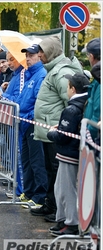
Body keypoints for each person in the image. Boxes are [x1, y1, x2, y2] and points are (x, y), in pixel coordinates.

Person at [32, 36, 83, 221]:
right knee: (50, 170)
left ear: (50, 52)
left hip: (57, 130)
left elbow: (71, 101)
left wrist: (63, 126)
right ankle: (50, 204)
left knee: (56, 171)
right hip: (51, 129)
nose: (39, 55)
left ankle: (57, 210)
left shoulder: (60, 72)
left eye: (42, 52)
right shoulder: (54, 69)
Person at [47, 73, 89, 236]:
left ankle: (71, 223)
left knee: (66, 189)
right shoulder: (82, 104)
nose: (66, 90)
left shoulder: (71, 109)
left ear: (73, 88)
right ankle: (63, 219)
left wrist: (52, 133)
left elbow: (64, 136)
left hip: (69, 154)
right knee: (60, 188)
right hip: (72, 152)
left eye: (67, 86)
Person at [15, 43, 48, 209]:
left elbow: (38, 103)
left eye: (31, 55)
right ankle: (28, 192)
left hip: (32, 124)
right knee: (26, 160)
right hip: (25, 123)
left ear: (39, 56)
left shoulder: (41, 75)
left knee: (36, 161)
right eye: (26, 55)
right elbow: (23, 99)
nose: (27, 58)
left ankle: (39, 196)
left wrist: (26, 118)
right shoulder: (30, 75)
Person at [0, 51, 25, 197]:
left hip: (17, 119)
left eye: (8, 60)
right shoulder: (7, 75)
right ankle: (15, 180)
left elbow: (18, 100)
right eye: (0, 63)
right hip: (7, 119)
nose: (5, 64)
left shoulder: (21, 74)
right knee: (7, 146)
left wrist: (2, 95)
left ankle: (21, 188)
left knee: (17, 153)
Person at [82, 38, 101, 139]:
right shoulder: (97, 77)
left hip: (93, 137)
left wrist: (88, 135)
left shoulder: (99, 80)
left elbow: (97, 113)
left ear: (92, 56)